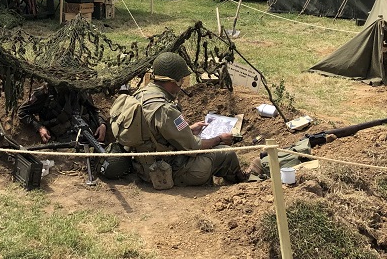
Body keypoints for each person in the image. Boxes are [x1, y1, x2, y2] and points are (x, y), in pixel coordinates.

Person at [121, 52, 260, 187]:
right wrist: (220, 139)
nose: (182, 84)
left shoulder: (140, 95)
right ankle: (242, 180)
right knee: (226, 154)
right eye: (181, 80)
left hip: (143, 167)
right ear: (172, 81)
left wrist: (190, 129)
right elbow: (193, 147)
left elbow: (156, 135)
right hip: (169, 171)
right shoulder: (166, 109)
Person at [17, 84, 107, 145]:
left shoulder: (79, 91)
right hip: (59, 141)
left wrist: (102, 124)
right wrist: (39, 128)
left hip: (85, 136)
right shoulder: (44, 93)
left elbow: (94, 110)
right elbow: (22, 112)